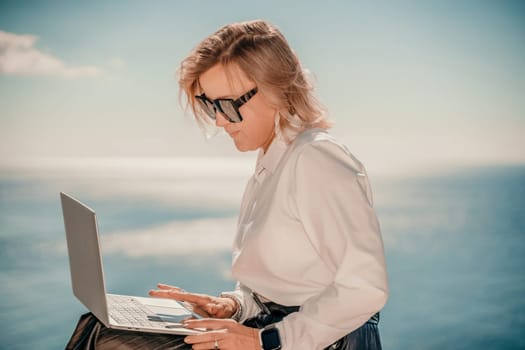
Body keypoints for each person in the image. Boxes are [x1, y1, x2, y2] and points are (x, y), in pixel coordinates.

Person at [65, 19, 388, 350]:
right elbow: (286, 286)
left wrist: (264, 340)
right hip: (274, 332)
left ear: (277, 88)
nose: (219, 120)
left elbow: (364, 287)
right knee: (100, 329)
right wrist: (234, 306)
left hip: (319, 342)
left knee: (103, 339)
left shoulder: (316, 159)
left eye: (228, 105)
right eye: (209, 104)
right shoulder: (273, 163)